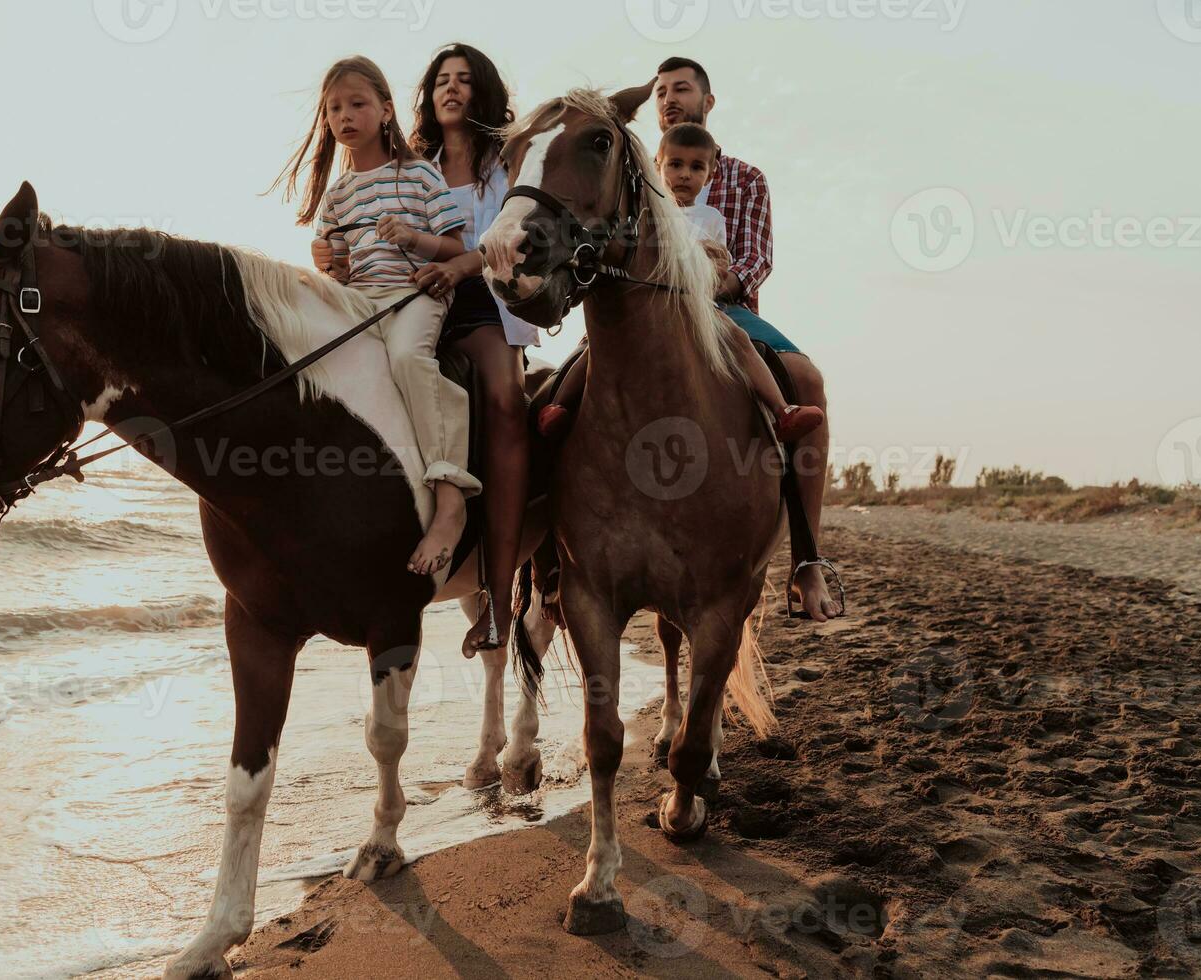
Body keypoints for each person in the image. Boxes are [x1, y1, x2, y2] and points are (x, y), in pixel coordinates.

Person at [272, 55, 481, 576]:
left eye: (357, 104)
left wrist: (413, 238)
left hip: (413, 294)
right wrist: (327, 262)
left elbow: (454, 246)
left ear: (386, 110)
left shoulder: (418, 175)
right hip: (359, 301)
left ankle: (450, 496)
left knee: (410, 359)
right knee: (308, 353)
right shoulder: (338, 193)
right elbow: (337, 265)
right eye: (334, 108)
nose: (344, 116)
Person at [653, 55, 842, 622]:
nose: (668, 99)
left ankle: (807, 563)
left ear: (708, 103)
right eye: (660, 91)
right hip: (651, 307)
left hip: (725, 306)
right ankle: (556, 565)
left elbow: (756, 258)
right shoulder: (639, 174)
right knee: (564, 384)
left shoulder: (745, 178)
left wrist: (713, 278)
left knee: (807, 379)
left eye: (681, 89)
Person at [539, 125, 824, 444]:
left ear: (710, 173)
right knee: (592, 346)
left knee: (739, 340)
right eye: (676, 165)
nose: (685, 175)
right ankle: (558, 404)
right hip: (644, 306)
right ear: (657, 165)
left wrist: (707, 269)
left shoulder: (711, 218)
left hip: (699, 305)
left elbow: (719, 263)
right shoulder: (645, 215)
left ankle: (783, 410)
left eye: (696, 167)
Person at [408, 43, 537, 656]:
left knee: (506, 403)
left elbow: (511, 236)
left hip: (486, 302)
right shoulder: (413, 165)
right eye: (441, 81)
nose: (451, 89)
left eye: (463, 80)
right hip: (417, 301)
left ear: (481, 92)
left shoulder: (508, 161)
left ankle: (499, 592)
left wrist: (463, 265)